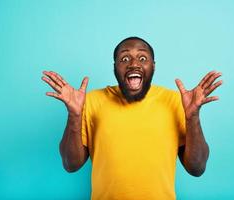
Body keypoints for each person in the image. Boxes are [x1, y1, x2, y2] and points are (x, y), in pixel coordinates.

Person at [42, 37, 223, 200]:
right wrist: (74, 115)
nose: (134, 64)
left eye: (142, 58)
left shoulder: (176, 102)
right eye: (125, 59)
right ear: (115, 67)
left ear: (153, 66)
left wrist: (192, 117)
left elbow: (197, 168)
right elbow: (70, 164)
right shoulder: (90, 101)